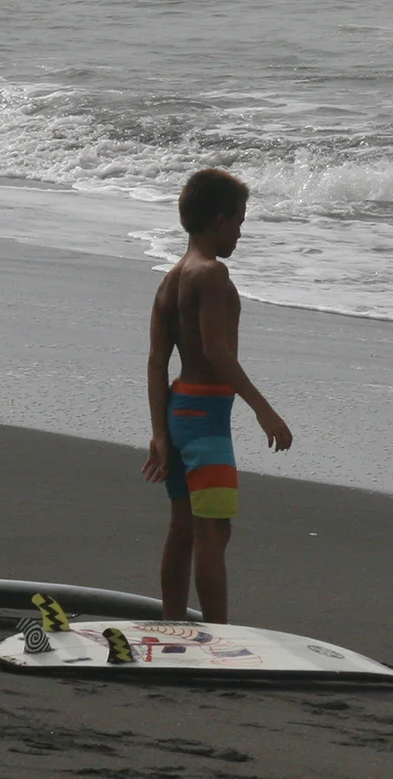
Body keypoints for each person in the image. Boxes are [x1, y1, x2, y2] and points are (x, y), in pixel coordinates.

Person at [142, 168, 293, 623]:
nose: (240, 234)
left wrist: (160, 432)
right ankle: (217, 633)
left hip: (178, 413)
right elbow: (216, 352)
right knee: (214, 533)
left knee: (183, 529)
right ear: (219, 220)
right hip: (207, 419)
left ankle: (173, 621)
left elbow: (156, 362)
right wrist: (264, 411)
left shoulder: (171, 279)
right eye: (239, 222)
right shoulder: (211, 273)